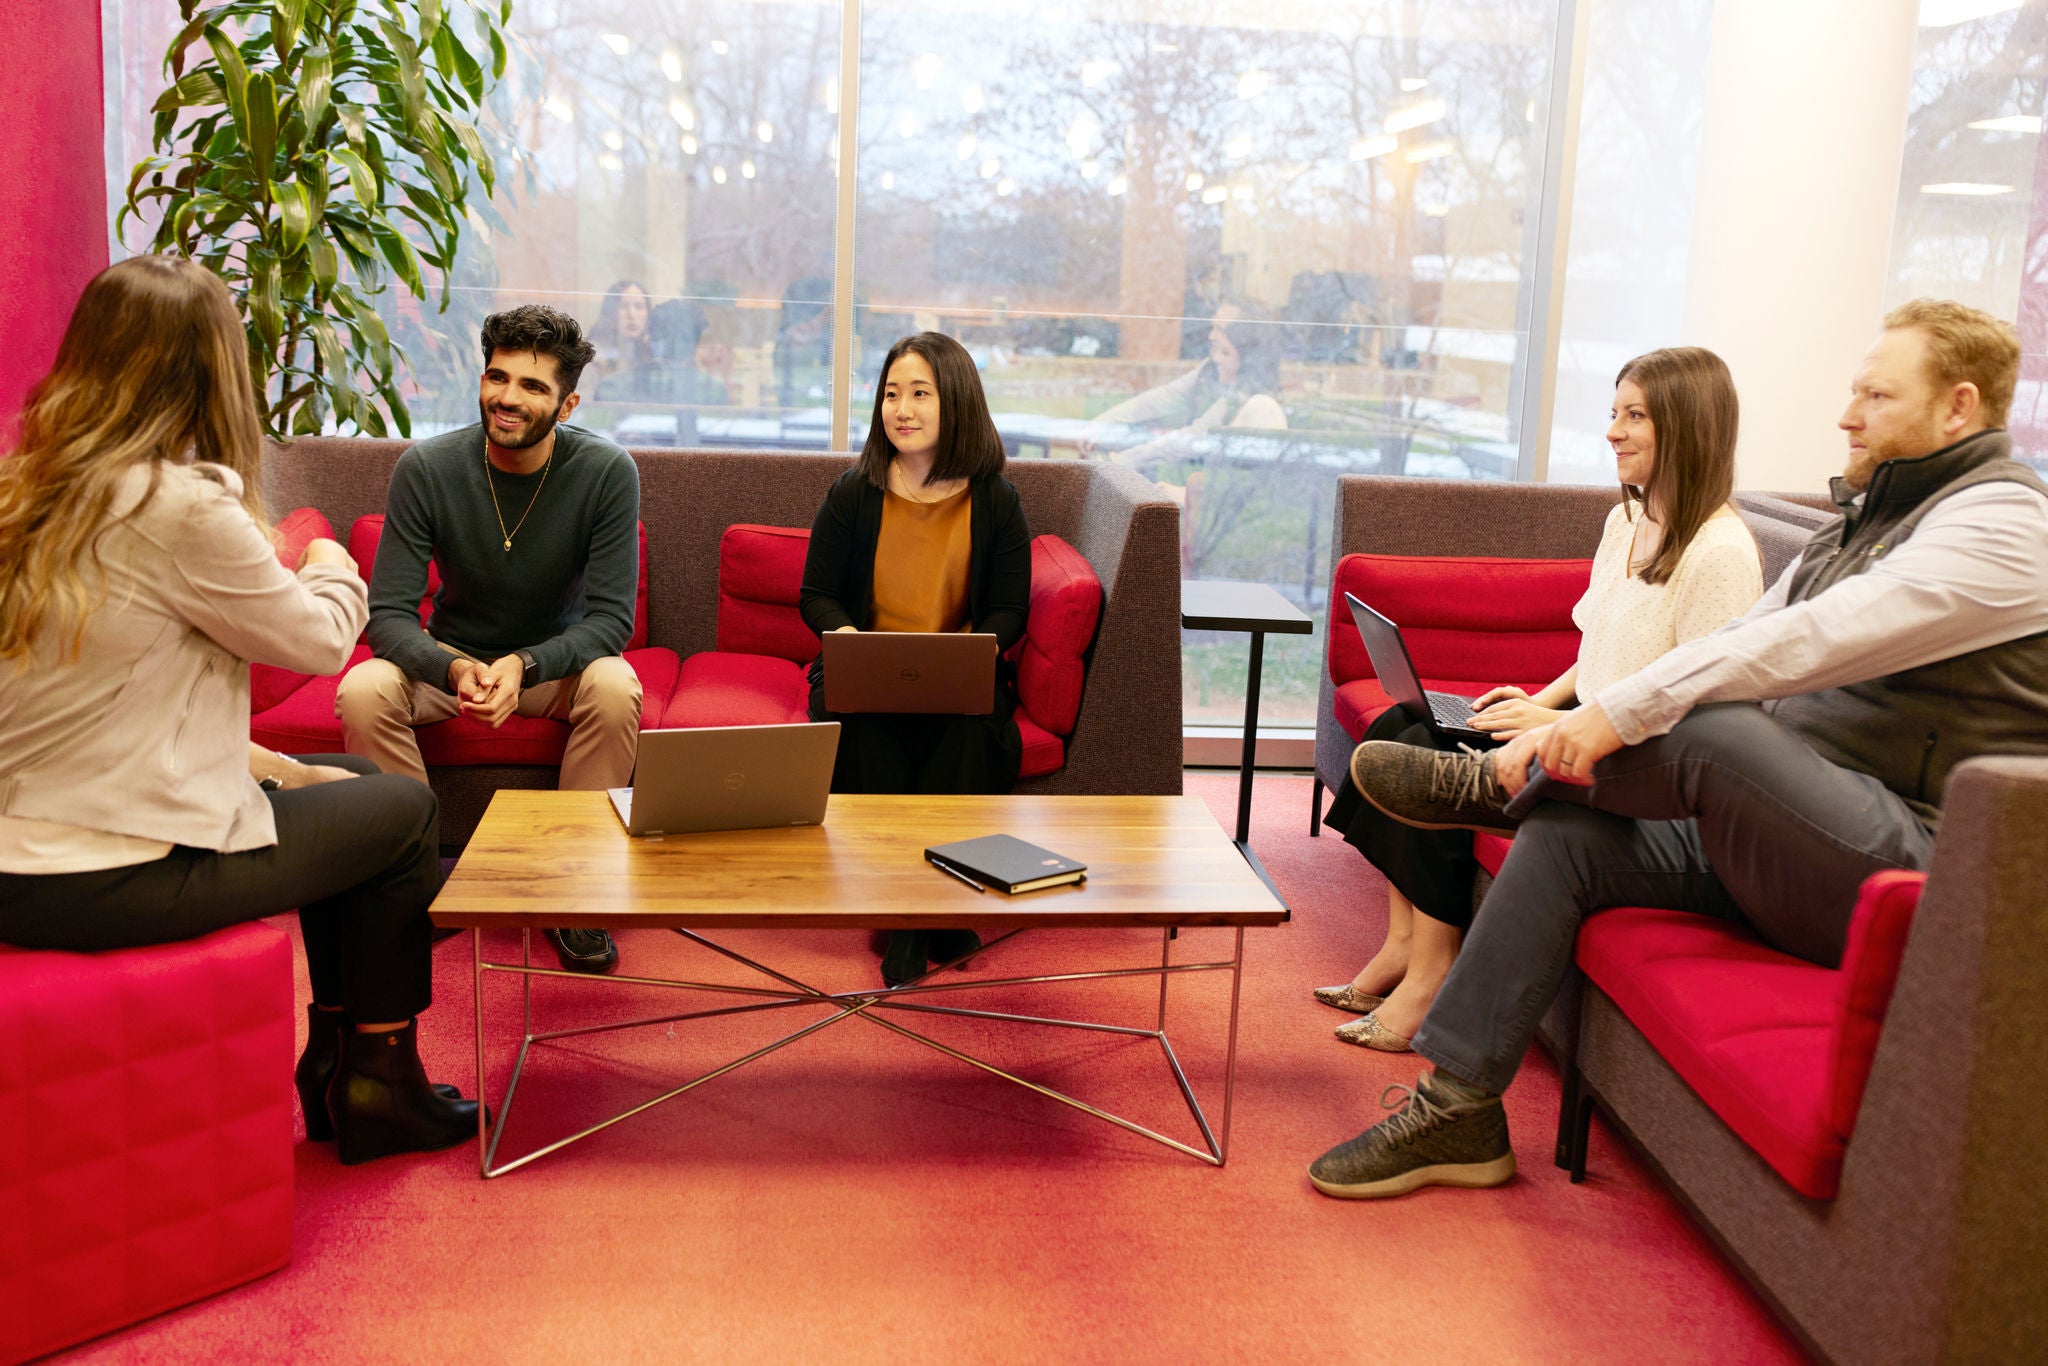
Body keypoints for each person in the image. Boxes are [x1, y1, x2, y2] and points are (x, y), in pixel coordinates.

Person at [1309, 299, 2048, 1199]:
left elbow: (1810, 641)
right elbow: (1748, 632)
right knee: (1568, 841)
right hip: (1801, 847)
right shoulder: (1867, 519)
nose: (1847, 415)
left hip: (1905, 877)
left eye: (1875, 396)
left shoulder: (2006, 529)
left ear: (1959, 408)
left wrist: (1598, 725)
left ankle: (1495, 786)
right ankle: (1459, 1110)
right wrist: (1589, 715)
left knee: (1711, 730)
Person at [0, 255, 478, 1165]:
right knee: (406, 812)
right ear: (211, 370)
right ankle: (378, 1080)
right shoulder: (173, 506)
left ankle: (338, 1059)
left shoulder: (26, 494)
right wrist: (328, 557)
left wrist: (273, 766)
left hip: (18, 858)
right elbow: (319, 641)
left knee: (358, 782)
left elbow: (110, 700)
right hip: (108, 874)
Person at [1316, 347, 1763, 1050]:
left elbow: (1697, 713)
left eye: (1635, 416)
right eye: (1614, 413)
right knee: (1408, 721)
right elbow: (1595, 652)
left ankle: (1431, 973)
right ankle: (1403, 941)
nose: (1613, 431)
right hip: (1574, 722)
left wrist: (1556, 722)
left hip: (1628, 763)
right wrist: (1532, 700)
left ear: (1688, 423)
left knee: (1428, 747)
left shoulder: (1722, 553)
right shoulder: (1627, 522)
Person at [336, 305, 643, 976]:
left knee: (617, 684)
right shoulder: (427, 468)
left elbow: (611, 622)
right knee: (362, 689)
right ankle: (410, 888)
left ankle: (575, 896)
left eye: (533, 386)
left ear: (567, 405)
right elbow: (387, 615)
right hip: (451, 666)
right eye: (497, 377)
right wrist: (452, 670)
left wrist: (523, 665)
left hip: (550, 669)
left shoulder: (606, 472)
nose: (507, 398)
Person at [800, 332, 1031, 986]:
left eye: (919, 394)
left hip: (957, 681)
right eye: (891, 394)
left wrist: (969, 655)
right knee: (867, 732)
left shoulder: (994, 499)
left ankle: (927, 908)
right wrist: (843, 637)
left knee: (965, 734)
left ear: (953, 400)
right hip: (864, 680)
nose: (901, 408)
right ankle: (914, 917)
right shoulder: (853, 493)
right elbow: (816, 595)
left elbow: (1010, 610)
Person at [1076, 297, 1288, 474]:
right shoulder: (1212, 370)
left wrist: (1119, 463)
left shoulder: (1255, 400)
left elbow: (1193, 437)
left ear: (1244, 341)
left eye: (1220, 329)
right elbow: (1160, 399)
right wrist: (1102, 424)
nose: (1211, 335)